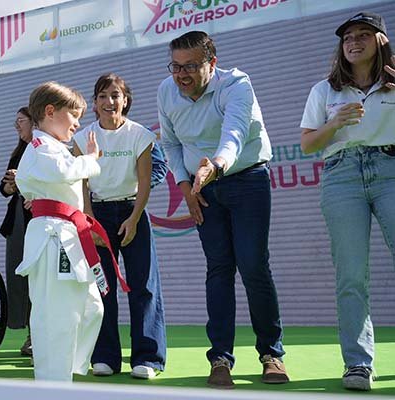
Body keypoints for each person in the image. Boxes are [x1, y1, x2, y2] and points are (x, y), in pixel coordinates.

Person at [157, 31, 288, 389]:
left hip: (246, 179)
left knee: (253, 265)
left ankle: (271, 354)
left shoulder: (237, 85)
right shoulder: (166, 90)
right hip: (201, 189)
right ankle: (220, 358)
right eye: (176, 66)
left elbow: (234, 133)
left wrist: (214, 166)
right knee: (218, 269)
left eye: (191, 66)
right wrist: (185, 186)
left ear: (212, 64)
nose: (181, 75)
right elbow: (169, 142)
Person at [300, 12, 395, 392]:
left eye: (363, 35)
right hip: (342, 174)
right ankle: (358, 364)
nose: (353, 42)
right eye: (347, 37)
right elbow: (308, 144)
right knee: (352, 275)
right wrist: (335, 123)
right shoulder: (325, 90)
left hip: (390, 168)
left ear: (381, 42)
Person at [16, 81, 124, 382]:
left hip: (67, 235)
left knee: (91, 308)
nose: (77, 123)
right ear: (50, 112)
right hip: (52, 239)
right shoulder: (40, 146)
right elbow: (62, 173)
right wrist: (90, 160)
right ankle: (54, 381)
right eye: (73, 115)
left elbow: (52, 178)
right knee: (58, 316)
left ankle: (67, 370)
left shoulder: (52, 148)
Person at [72, 73, 166, 379]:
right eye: (102, 96)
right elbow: (81, 183)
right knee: (102, 287)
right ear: (95, 103)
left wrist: (135, 218)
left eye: (115, 95)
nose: (109, 102)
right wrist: (89, 219)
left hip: (131, 212)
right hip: (96, 214)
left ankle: (148, 359)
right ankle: (105, 357)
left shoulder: (140, 135)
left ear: (125, 100)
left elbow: (144, 181)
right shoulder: (83, 137)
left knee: (143, 286)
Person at [0, 106, 34, 356]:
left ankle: (37, 334)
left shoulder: (46, 148)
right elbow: (5, 189)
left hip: (39, 217)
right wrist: (11, 186)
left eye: (21, 121)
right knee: (18, 276)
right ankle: (26, 330)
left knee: (37, 278)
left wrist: (23, 179)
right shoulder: (17, 152)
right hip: (18, 220)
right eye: (16, 122)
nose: (17, 126)